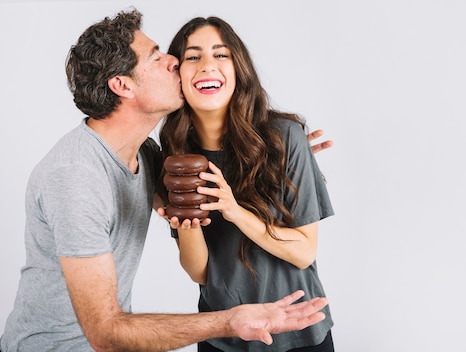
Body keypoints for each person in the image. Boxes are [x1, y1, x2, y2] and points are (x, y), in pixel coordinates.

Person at [0, 9, 332, 352]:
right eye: (156, 56)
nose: (172, 61)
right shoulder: (76, 177)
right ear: (122, 85)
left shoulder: (147, 154)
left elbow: (296, 243)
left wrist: (279, 153)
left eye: (220, 54)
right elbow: (107, 333)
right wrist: (227, 321)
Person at [156, 16, 335, 352]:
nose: (207, 65)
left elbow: (303, 251)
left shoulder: (285, 138)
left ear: (239, 68)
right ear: (178, 74)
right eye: (193, 57)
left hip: (299, 332)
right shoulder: (175, 154)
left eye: (221, 55)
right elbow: (200, 274)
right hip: (222, 335)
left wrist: (234, 210)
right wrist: (187, 223)